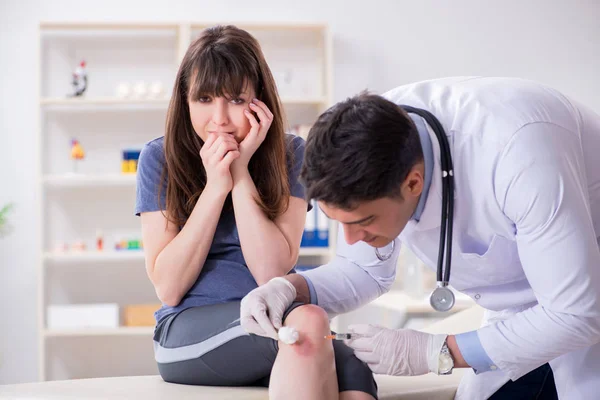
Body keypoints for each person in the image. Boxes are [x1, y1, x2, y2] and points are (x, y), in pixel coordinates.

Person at [240, 76, 600, 399]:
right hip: (525, 311)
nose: (349, 240)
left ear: (413, 182)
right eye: (339, 223)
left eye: (363, 222)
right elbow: (363, 272)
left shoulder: (516, 152)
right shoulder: (367, 147)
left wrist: (436, 352)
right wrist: (290, 288)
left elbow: (577, 313)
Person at [135, 25, 377, 400]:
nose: (219, 118)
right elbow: (168, 287)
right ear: (185, 100)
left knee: (355, 372)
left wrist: (240, 171)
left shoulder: (291, 153)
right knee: (309, 322)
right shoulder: (160, 159)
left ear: (259, 99)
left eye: (234, 99)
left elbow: (270, 273)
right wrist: (216, 188)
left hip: (277, 315)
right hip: (187, 331)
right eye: (204, 99)